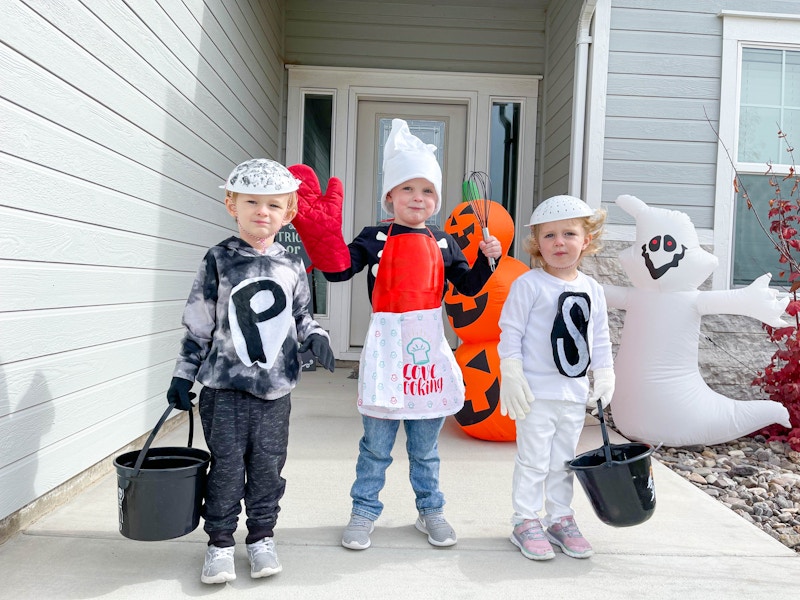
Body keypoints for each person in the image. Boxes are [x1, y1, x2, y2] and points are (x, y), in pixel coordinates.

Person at [287, 119, 502, 550]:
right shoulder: (375, 236)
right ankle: (364, 512)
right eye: (407, 189)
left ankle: (431, 511)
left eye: (426, 191)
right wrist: (321, 235)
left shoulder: (445, 243)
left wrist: (489, 259)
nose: (417, 198)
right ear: (390, 196)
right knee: (375, 446)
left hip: (427, 356)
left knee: (425, 449)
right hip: (386, 352)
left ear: (436, 200)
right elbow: (339, 268)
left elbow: (469, 286)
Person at [167, 158, 335, 584]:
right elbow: (200, 322)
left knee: (267, 467)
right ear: (231, 205)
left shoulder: (293, 266)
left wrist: (316, 335)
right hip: (224, 388)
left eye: (274, 205)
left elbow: (301, 315)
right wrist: (183, 374)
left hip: (275, 390)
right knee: (225, 467)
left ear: (289, 213)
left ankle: (261, 537)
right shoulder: (219, 259)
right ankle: (220, 543)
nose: (263, 211)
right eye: (252, 202)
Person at [497, 195, 615, 561]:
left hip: (573, 392)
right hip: (535, 392)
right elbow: (510, 331)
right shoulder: (529, 285)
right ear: (537, 244)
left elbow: (598, 336)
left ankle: (560, 517)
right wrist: (511, 371)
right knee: (533, 458)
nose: (559, 242)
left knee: (563, 460)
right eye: (549, 236)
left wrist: (605, 372)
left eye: (568, 234)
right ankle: (525, 519)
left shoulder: (593, 289)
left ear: (587, 240)